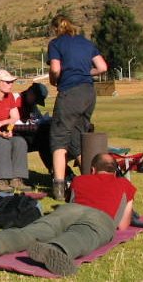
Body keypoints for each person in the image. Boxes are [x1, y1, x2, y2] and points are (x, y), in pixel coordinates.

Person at [0, 153, 136, 276]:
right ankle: (55, 249)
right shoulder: (126, 185)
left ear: (93, 169)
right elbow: (123, 225)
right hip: (99, 218)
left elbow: (72, 202)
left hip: (68, 211)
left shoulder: (81, 180)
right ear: (114, 170)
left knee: (30, 232)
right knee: (83, 235)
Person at [47, 14, 108, 200]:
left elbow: (56, 69)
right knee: (78, 139)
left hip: (70, 92)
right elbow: (103, 67)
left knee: (59, 137)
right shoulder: (86, 43)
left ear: (55, 29)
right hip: (88, 93)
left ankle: (58, 187)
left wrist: (54, 79)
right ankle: (91, 182)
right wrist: (85, 72)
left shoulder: (56, 44)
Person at [14, 82, 53, 172]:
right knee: (43, 141)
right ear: (30, 93)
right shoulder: (16, 100)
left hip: (30, 135)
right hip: (16, 136)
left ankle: (56, 171)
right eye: (35, 100)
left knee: (45, 141)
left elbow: (38, 118)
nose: (35, 103)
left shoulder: (32, 106)